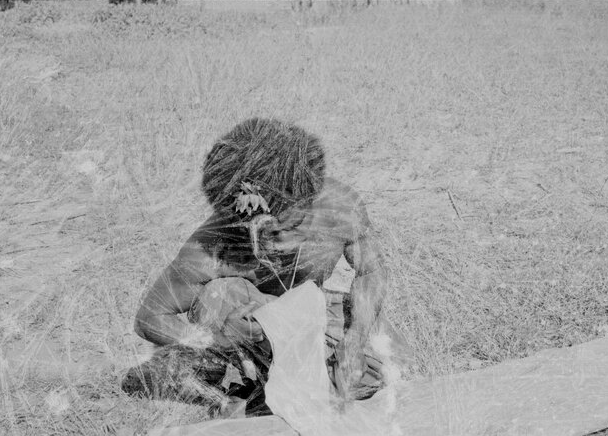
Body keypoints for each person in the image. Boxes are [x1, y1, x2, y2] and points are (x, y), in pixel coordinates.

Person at [121, 118, 410, 416]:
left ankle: (285, 391)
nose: (278, 240)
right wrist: (213, 340)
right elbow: (150, 317)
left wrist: (354, 340)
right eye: (264, 232)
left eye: (290, 225)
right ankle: (244, 385)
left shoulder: (339, 208)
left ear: (309, 202)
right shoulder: (212, 245)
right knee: (222, 292)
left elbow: (371, 271)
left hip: (304, 320)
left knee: (390, 358)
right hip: (245, 337)